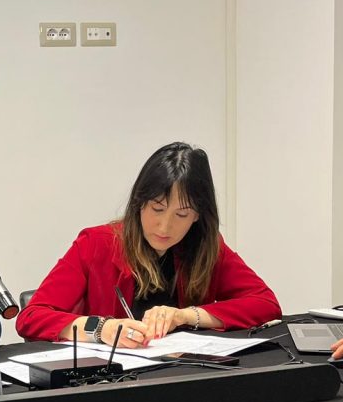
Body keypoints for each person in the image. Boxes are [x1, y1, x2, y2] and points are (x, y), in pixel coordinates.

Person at [15, 142, 281, 346]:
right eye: (157, 209)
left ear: (198, 216)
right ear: (139, 203)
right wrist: (101, 328)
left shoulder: (206, 247)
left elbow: (265, 304)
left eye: (181, 215)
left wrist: (185, 316)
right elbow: (31, 317)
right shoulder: (96, 243)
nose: (165, 227)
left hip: (182, 376)